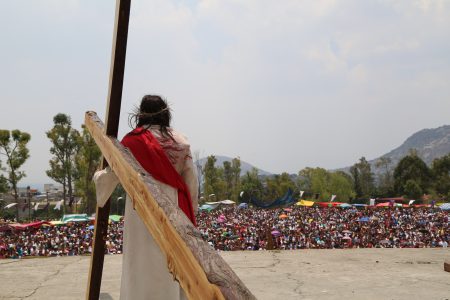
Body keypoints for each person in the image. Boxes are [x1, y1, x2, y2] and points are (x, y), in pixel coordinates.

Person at [94, 95, 198, 300]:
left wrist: (98, 177)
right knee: (172, 265)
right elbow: (191, 183)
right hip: (174, 210)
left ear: (140, 114)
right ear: (166, 113)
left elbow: (112, 175)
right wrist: (191, 214)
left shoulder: (131, 141)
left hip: (139, 211)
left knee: (140, 265)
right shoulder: (181, 141)